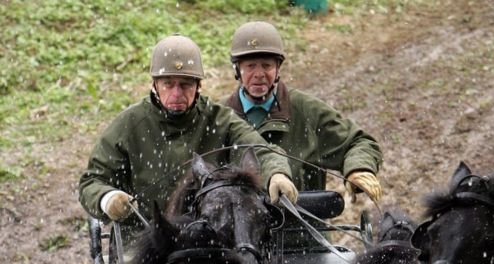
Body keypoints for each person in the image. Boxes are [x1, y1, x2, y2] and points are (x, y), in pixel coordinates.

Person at [79, 34, 298, 232]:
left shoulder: (220, 119)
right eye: (168, 84)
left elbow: (259, 149)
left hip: (211, 237)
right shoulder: (130, 124)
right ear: (155, 84)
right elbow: (92, 181)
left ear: (198, 85)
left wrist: (276, 174)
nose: (176, 93)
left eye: (185, 85)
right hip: (144, 237)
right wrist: (108, 198)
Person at [225, 21, 383, 203]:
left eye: (267, 66)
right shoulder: (221, 117)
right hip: (238, 227)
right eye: (251, 66)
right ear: (237, 69)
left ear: (278, 69)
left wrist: (359, 168)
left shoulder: (306, 110)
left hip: (302, 224)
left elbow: (359, 142)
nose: (259, 74)